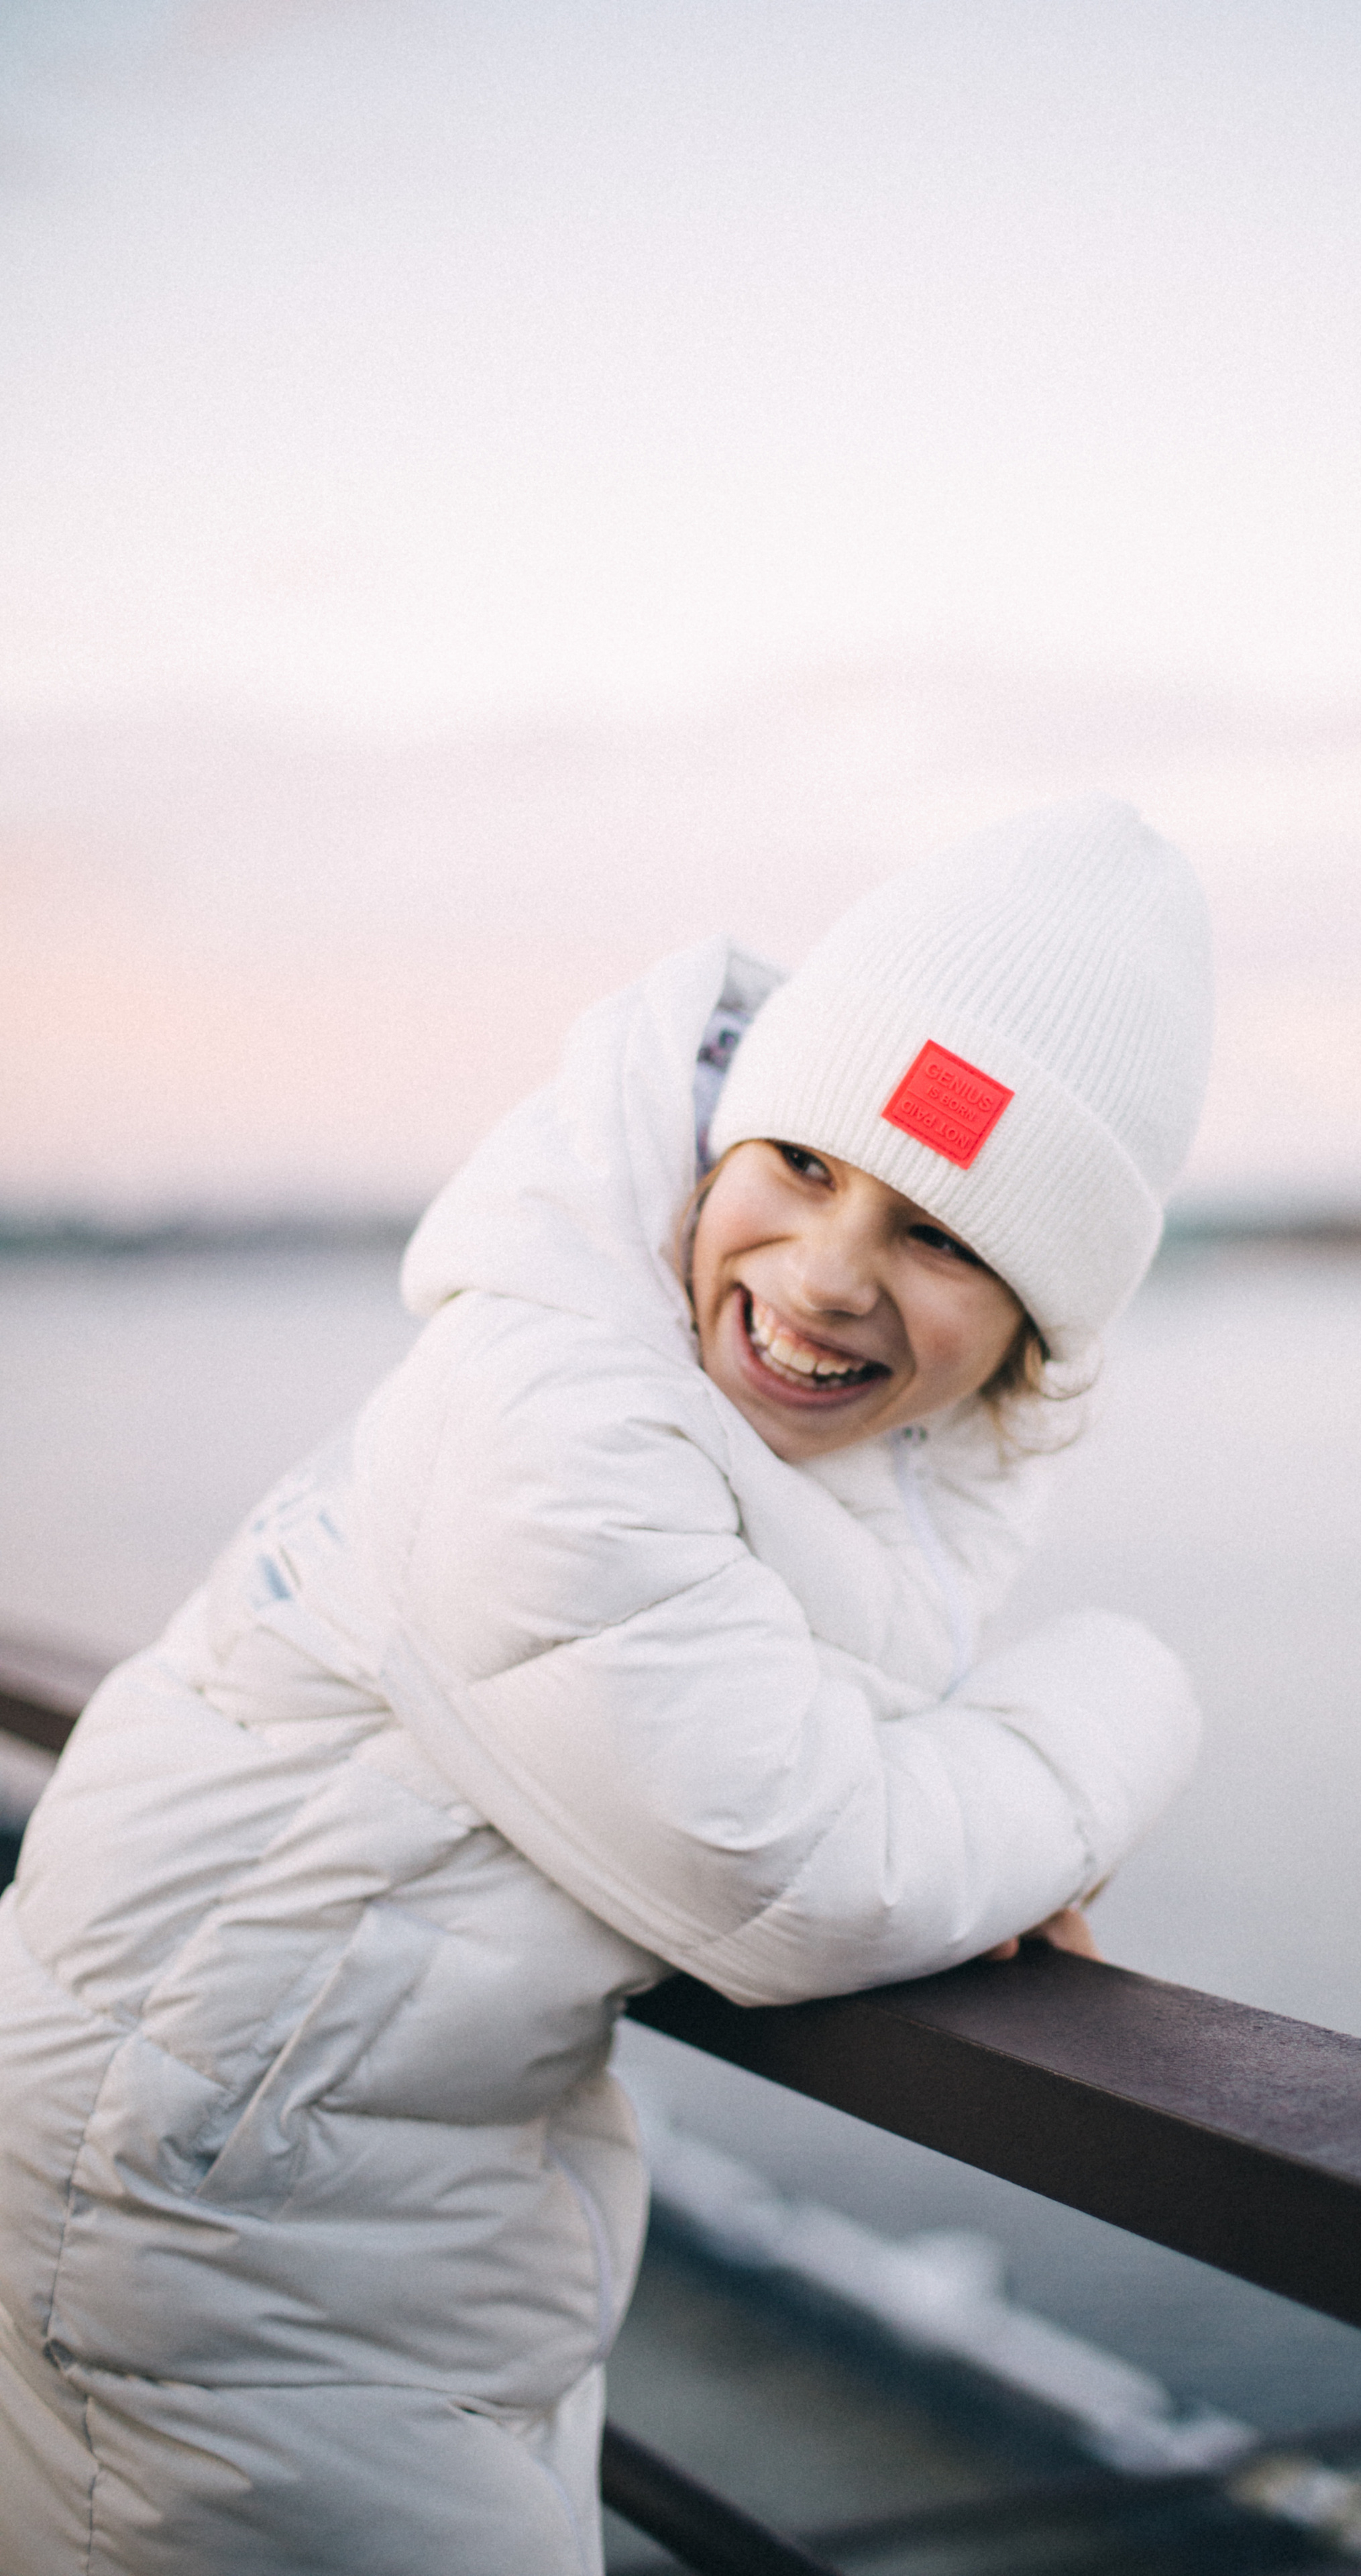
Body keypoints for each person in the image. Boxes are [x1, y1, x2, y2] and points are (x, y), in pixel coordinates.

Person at [0, 795, 1213, 2574]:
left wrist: (976, 1809)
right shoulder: (554, 1421)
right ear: (715, 1135)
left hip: (292, 2200)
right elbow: (803, 1871)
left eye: (941, 1237)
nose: (825, 1273)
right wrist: (1119, 1709)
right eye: (801, 1163)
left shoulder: (735, 1448)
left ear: (1038, 1330)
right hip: (201, 2236)